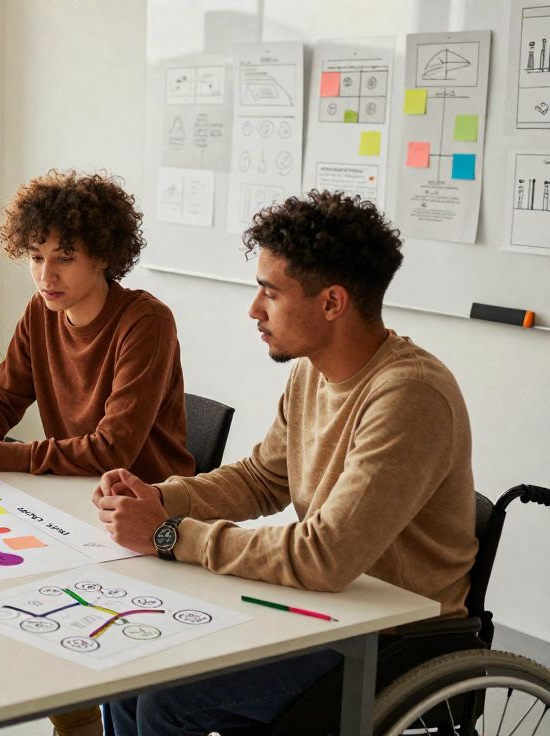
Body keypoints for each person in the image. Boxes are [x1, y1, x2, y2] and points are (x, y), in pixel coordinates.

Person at [97, 191, 478, 734]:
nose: (254, 309)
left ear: (331, 303)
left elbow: (325, 555)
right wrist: (160, 497)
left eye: (269, 292)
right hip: (328, 613)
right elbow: (261, 479)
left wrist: (168, 535)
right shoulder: (311, 371)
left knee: (168, 702)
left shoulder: (409, 397)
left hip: (388, 636)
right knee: (128, 667)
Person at [0, 170, 193, 479]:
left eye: (64, 258)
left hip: (147, 501)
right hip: (74, 488)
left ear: (103, 256)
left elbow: (112, 450)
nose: (45, 276)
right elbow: (3, 397)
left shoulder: (147, 323)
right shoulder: (40, 311)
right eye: (37, 257)